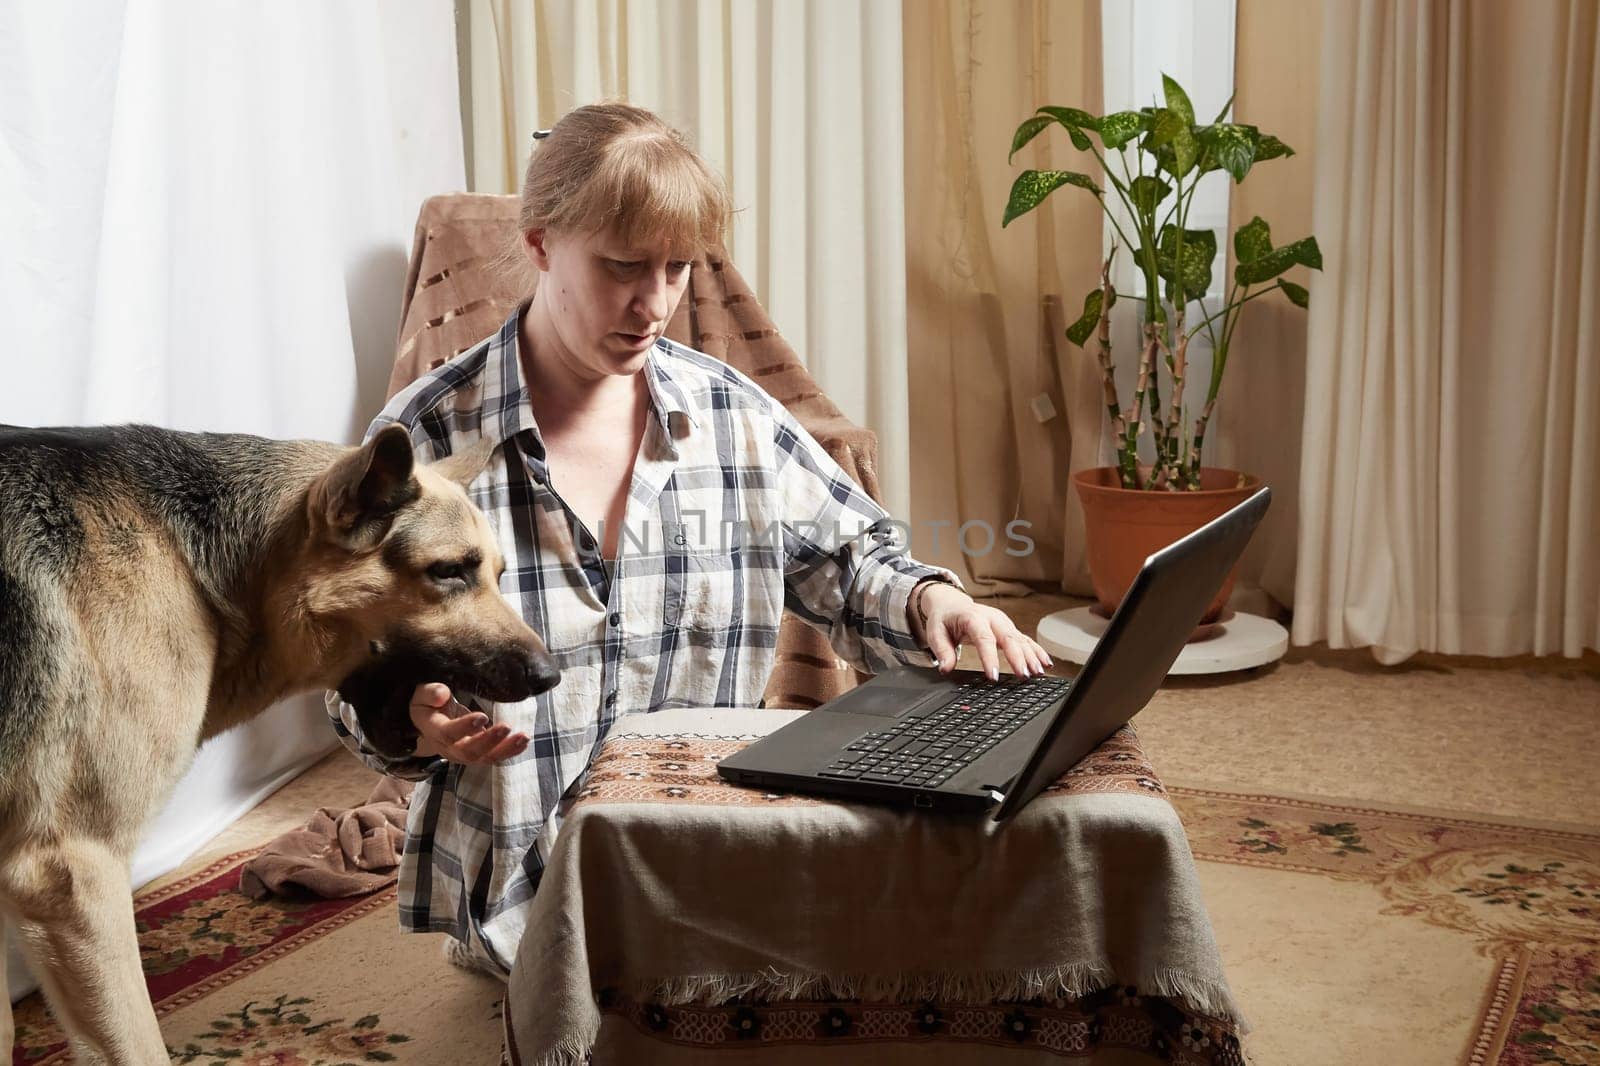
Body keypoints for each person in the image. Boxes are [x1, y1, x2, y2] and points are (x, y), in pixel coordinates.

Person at [329, 102, 1054, 978]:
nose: (655, 304)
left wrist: (934, 600)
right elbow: (346, 662)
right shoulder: (427, 440)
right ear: (538, 243)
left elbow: (852, 563)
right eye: (623, 266)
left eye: (678, 269)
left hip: (709, 859)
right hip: (527, 901)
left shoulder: (732, 417)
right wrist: (408, 718)